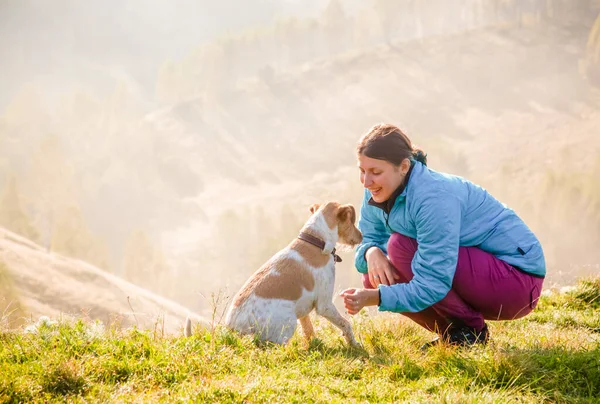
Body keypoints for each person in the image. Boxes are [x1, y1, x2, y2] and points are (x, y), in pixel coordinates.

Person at [340, 124, 545, 348]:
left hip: (518, 280)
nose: (366, 181)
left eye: (376, 172)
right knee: (375, 275)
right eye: (362, 170)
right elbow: (368, 237)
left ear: (404, 167)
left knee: (400, 247)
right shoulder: (375, 191)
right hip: (481, 272)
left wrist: (375, 298)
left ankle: (471, 332)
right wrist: (371, 252)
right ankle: (455, 336)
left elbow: (433, 283)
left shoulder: (433, 198)